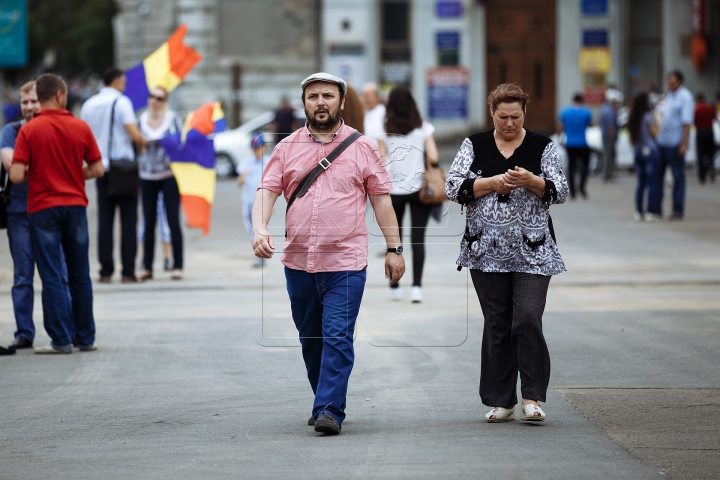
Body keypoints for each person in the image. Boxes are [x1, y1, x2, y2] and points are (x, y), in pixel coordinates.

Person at [252, 72, 405, 435]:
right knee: (311, 338)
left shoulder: (362, 146)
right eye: (313, 96)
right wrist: (260, 227)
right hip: (298, 261)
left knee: (337, 335)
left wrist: (395, 249)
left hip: (346, 262)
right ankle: (324, 397)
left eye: (328, 96)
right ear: (304, 103)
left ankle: (330, 409)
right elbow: (266, 191)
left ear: (340, 101)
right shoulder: (286, 147)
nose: (320, 102)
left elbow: (382, 201)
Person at [446, 83, 568, 423]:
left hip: (534, 251)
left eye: (515, 116)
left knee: (527, 317)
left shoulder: (542, 145)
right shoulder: (475, 144)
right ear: (492, 114)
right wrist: (491, 183)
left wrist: (532, 180)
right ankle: (502, 400)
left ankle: (531, 397)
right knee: (497, 323)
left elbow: (561, 191)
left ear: (524, 113)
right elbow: (452, 186)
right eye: (503, 117)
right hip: (484, 251)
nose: (509, 123)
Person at [10, 73, 105, 353]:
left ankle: (61, 340)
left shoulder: (29, 131)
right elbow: (98, 169)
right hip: (75, 206)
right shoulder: (80, 127)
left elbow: (16, 175)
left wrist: (39, 175)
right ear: (61, 95)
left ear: (40, 97)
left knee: (51, 275)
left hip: (42, 208)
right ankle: (86, 338)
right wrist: (74, 174)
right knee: (80, 274)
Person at [80, 67, 147, 282]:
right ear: (117, 82)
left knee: (105, 220)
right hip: (123, 169)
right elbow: (134, 134)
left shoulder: (89, 104)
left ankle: (105, 271)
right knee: (128, 220)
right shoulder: (122, 102)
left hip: (99, 167)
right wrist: (144, 142)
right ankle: (128, 271)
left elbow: (83, 134)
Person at [376, 86, 438, 303]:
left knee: (394, 240)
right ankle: (417, 289)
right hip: (419, 190)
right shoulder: (423, 128)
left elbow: (382, 161)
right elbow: (433, 156)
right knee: (418, 240)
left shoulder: (384, 129)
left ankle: (394, 287)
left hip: (393, 191)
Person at [136, 86, 184, 281]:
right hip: (146, 175)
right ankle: (147, 266)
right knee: (148, 222)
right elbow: (135, 144)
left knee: (173, 220)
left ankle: (177, 265)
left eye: (159, 98)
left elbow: (183, 143)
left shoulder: (173, 119)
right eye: (151, 96)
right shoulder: (140, 120)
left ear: (166, 101)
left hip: (169, 175)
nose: (154, 101)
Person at [656, 70, 694, 220]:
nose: (669, 84)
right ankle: (656, 209)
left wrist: (683, 143)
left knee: (678, 177)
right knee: (658, 177)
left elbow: (686, 123)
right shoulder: (670, 96)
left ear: (680, 81)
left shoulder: (685, 97)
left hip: (675, 144)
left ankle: (677, 210)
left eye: (671, 81)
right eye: (668, 81)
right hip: (662, 142)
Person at [236, 133, 269, 268]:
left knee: (260, 228)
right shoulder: (246, 163)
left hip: (262, 203)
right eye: (254, 148)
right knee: (250, 229)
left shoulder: (269, 162)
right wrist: (243, 176)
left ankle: (260, 256)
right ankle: (258, 254)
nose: (256, 151)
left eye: (258, 148)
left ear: (264, 148)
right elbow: (239, 183)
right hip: (248, 201)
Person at [627, 92, 660, 221]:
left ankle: (638, 211)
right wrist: (656, 120)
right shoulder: (648, 117)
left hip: (638, 151)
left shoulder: (633, 117)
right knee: (652, 183)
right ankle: (650, 212)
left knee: (641, 183)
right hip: (650, 152)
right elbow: (655, 134)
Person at [557, 93, 593, 199]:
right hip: (582, 143)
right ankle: (581, 187)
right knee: (585, 166)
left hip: (570, 143)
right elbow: (591, 124)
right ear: (582, 100)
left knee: (571, 168)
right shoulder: (586, 112)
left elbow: (559, 126)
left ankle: (572, 191)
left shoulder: (565, 111)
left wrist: (560, 138)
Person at [138, 192, 174, 271]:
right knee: (145, 225)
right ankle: (144, 259)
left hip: (161, 192)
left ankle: (167, 258)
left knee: (164, 226)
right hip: (149, 189)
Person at [599, 88, 623, 181]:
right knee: (608, 155)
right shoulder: (609, 110)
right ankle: (606, 174)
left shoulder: (606, 108)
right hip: (609, 136)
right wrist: (613, 136)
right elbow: (610, 126)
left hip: (607, 136)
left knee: (609, 154)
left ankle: (608, 173)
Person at [694, 92, 716, 184]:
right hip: (709, 132)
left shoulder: (696, 109)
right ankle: (710, 165)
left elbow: (694, 121)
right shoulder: (710, 107)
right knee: (710, 153)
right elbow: (715, 118)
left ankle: (702, 176)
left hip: (700, 132)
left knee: (700, 155)